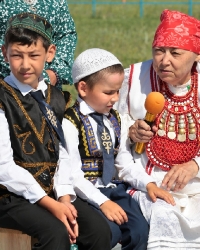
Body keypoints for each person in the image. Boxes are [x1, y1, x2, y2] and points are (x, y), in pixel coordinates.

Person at [0, 13, 111, 250]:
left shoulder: (55, 98)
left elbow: (61, 154)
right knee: (55, 233)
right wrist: (51, 205)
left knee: (98, 231)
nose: (25, 64)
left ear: (49, 53)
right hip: (9, 196)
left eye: (34, 55)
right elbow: (3, 167)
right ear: (4, 53)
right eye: (17, 55)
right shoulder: (2, 98)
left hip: (51, 191)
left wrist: (63, 196)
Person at [62, 48, 175, 250]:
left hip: (113, 189)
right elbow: (72, 175)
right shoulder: (70, 122)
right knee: (108, 233)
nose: (115, 98)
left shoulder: (115, 118)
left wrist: (148, 184)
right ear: (83, 88)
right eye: (108, 92)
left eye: (117, 91)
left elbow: (123, 161)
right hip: (85, 193)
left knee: (140, 231)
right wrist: (103, 202)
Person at [115, 9, 200, 249]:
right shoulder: (133, 78)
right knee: (162, 215)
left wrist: (195, 165)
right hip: (149, 183)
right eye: (159, 51)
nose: (164, 60)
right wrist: (131, 132)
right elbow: (113, 124)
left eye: (175, 53)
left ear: (196, 56)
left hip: (197, 182)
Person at [0, 0, 77, 90]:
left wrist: (54, 73)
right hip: (7, 85)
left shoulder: (57, 2)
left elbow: (66, 35)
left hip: (48, 87)